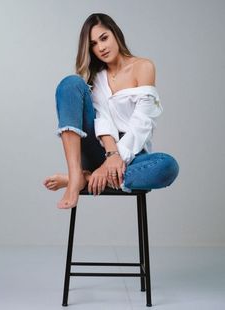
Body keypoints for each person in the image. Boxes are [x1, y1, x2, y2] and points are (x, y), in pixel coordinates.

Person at [43, 13, 179, 209]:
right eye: (93, 44)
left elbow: (143, 123)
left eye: (104, 38)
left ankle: (87, 179)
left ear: (115, 33)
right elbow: (102, 119)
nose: (101, 48)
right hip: (101, 148)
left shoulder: (143, 67)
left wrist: (115, 159)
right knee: (70, 83)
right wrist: (110, 155)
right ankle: (75, 177)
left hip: (133, 154)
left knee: (167, 166)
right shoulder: (97, 77)